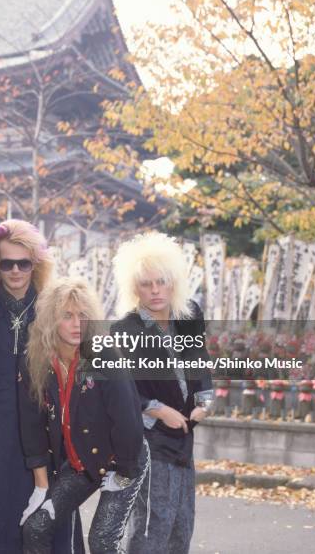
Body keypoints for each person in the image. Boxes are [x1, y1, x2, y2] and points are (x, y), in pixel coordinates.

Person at [0, 219, 78, 553]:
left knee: (46, 521)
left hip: (46, 431)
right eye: (7, 263)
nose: (15, 271)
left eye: (23, 262)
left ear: (35, 263)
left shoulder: (53, 310)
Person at [18, 277, 149, 554]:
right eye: (67, 316)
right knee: (36, 527)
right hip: (83, 461)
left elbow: (129, 421)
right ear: (52, 320)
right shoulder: (37, 361)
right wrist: (41, 487)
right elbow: (32, 426)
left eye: (83, 315)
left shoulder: (104, 355)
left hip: (123, 457)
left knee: (102, 542)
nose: (77, 323)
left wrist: (124, 472)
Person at [111, 231, 214, 554]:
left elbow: (200, 362)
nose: (155, 291)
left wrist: (204, 400)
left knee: (181, 526)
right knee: (150, 527)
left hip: (184, 435)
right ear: (133, 286)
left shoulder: (188, 316)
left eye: (161, 281)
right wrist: (157, 409)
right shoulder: (124, 331)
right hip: (149, 440)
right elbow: (118, 390)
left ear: (174, 282)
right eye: (146, 283)